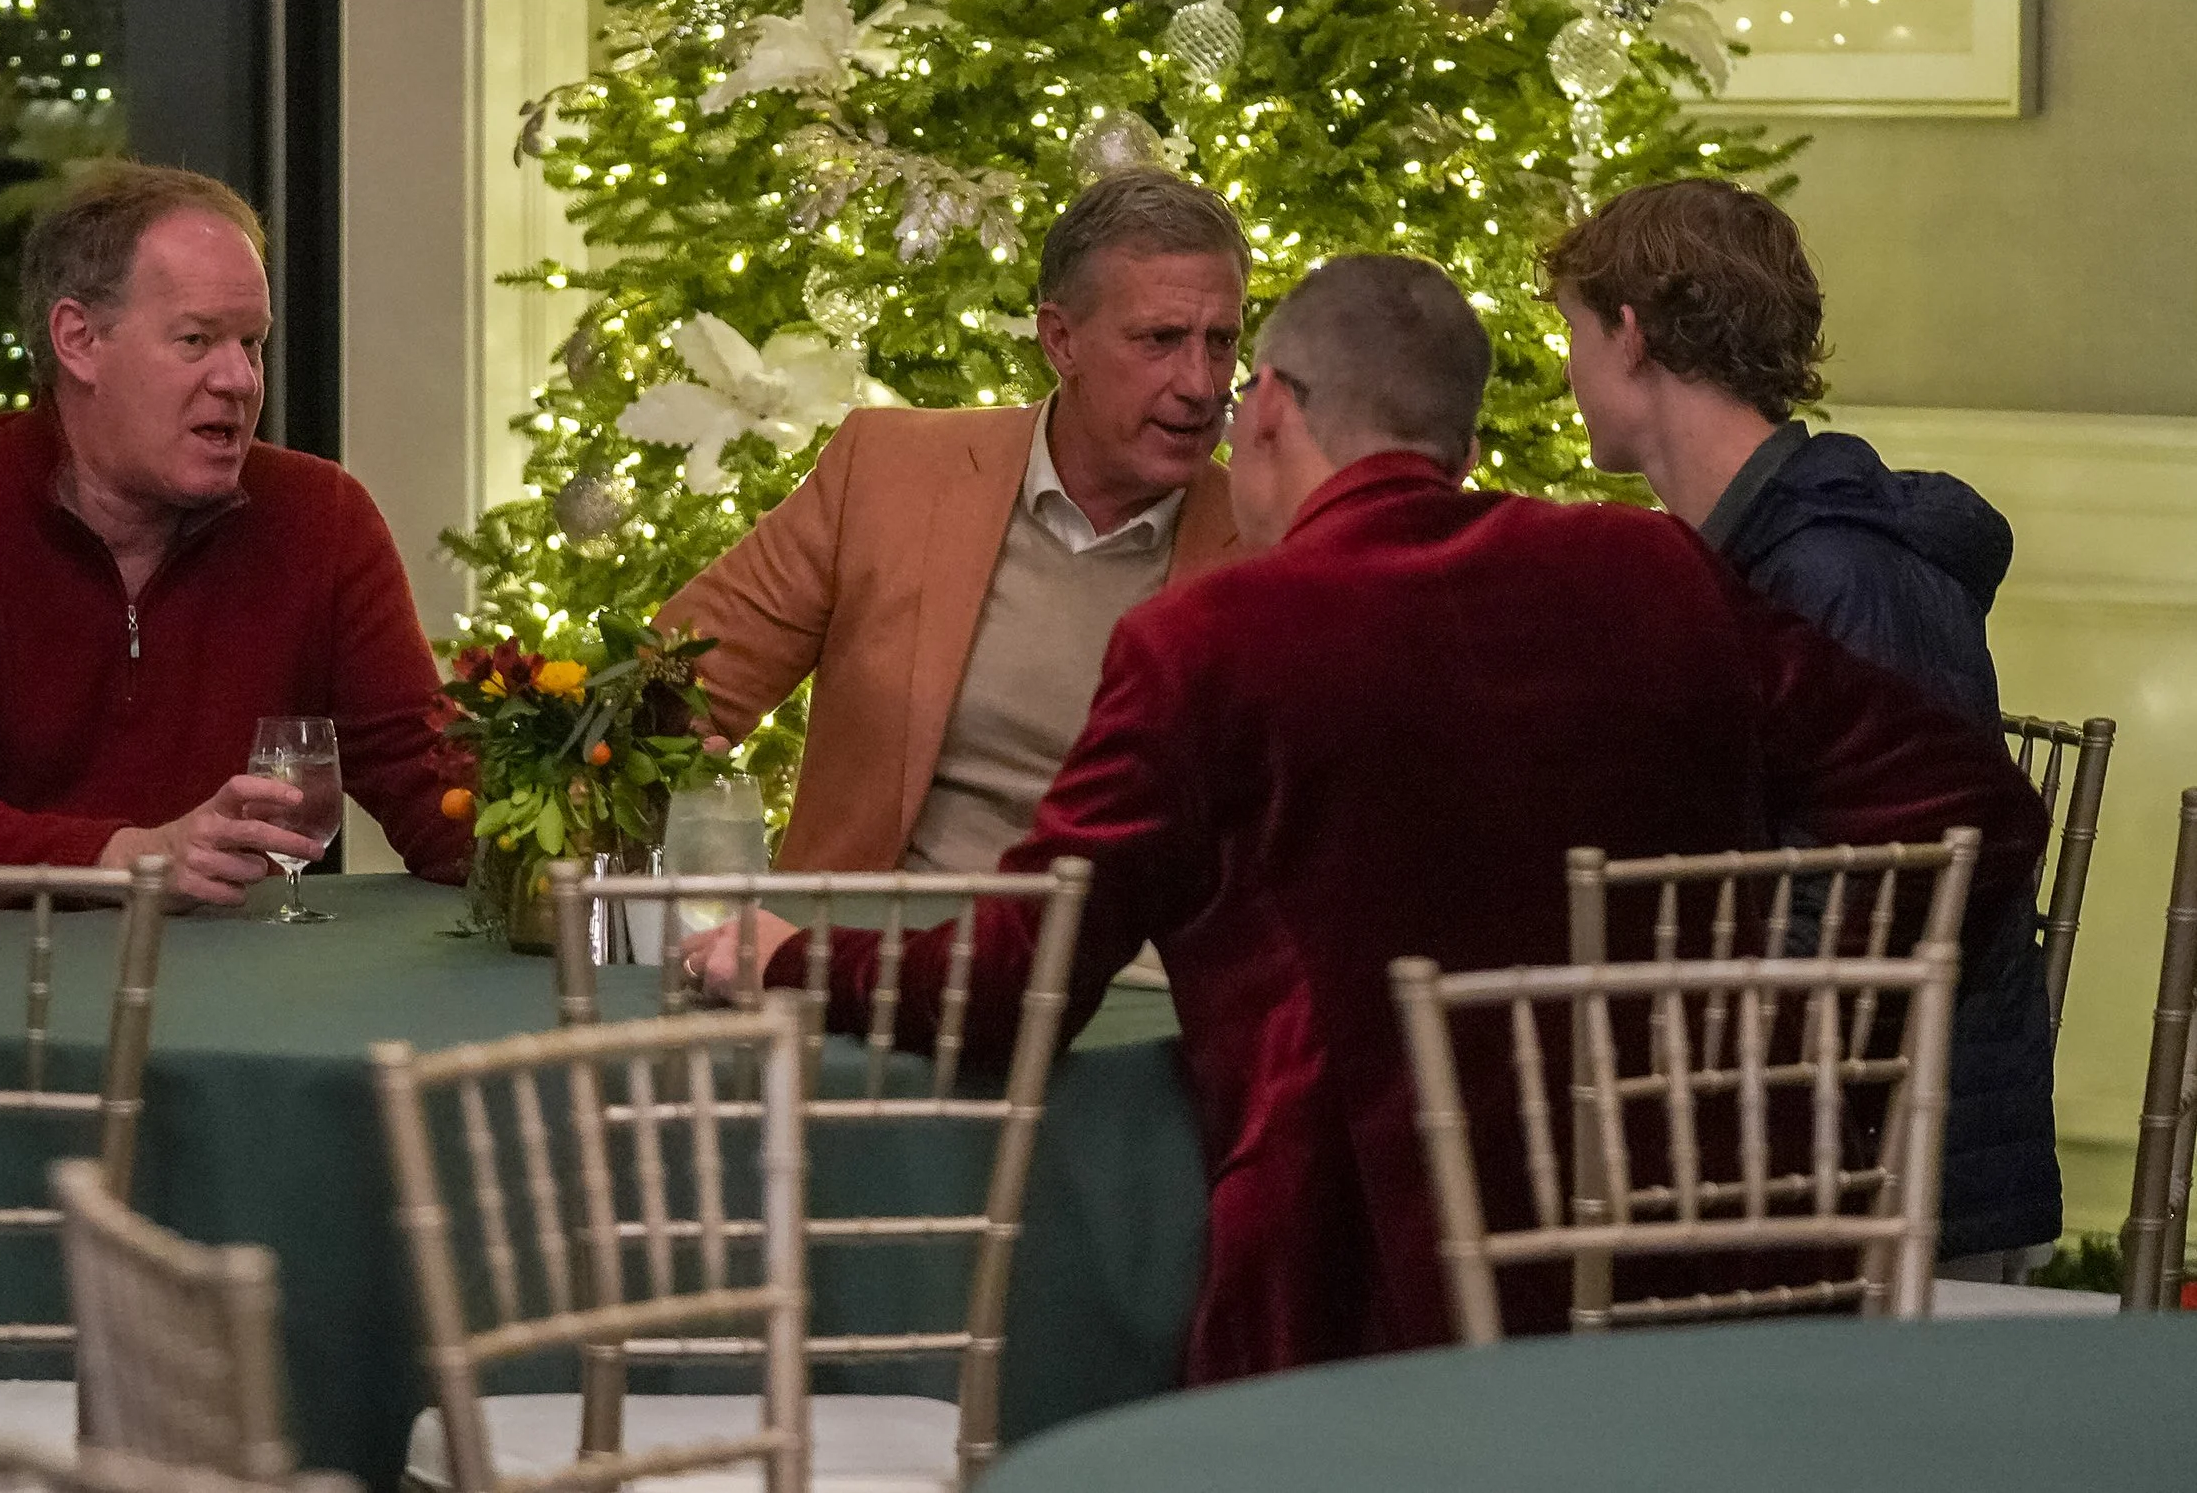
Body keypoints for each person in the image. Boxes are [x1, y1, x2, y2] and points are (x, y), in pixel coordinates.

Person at [683, 254, 2046, 1374]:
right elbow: (1968, 806)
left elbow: (1012, 978)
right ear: (1457, 429)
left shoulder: (1216, 638)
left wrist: (786, 955)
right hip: (1698, 1245)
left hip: (1364, 1284)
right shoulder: (1650, 568)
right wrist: (1786, 1032)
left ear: (1270, 404)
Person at [1543, 177, 2057, 1272]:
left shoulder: (1831, 567)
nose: (1568, 370)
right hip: (1823, 1140)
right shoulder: (1769, 552)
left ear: (1630, 333)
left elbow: (1881, 909)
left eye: (1575, 334)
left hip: (1892, 1182)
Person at [0, 162, 471, 903]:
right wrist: (127, 857)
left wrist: (590, 802)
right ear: (79, 339)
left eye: (252, 343)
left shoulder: (321, 518)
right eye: (197, 340)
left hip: (215, 992)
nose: (240, 379)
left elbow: (433, 789)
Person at [659, 168, 1244, 874]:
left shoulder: (1276, 548)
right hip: (878, 960)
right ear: (1060, 340)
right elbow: (667, 690)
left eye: (1220, 342)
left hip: (1145, 978)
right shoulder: (889, 474)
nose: (1200, 384)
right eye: (1161, 339)